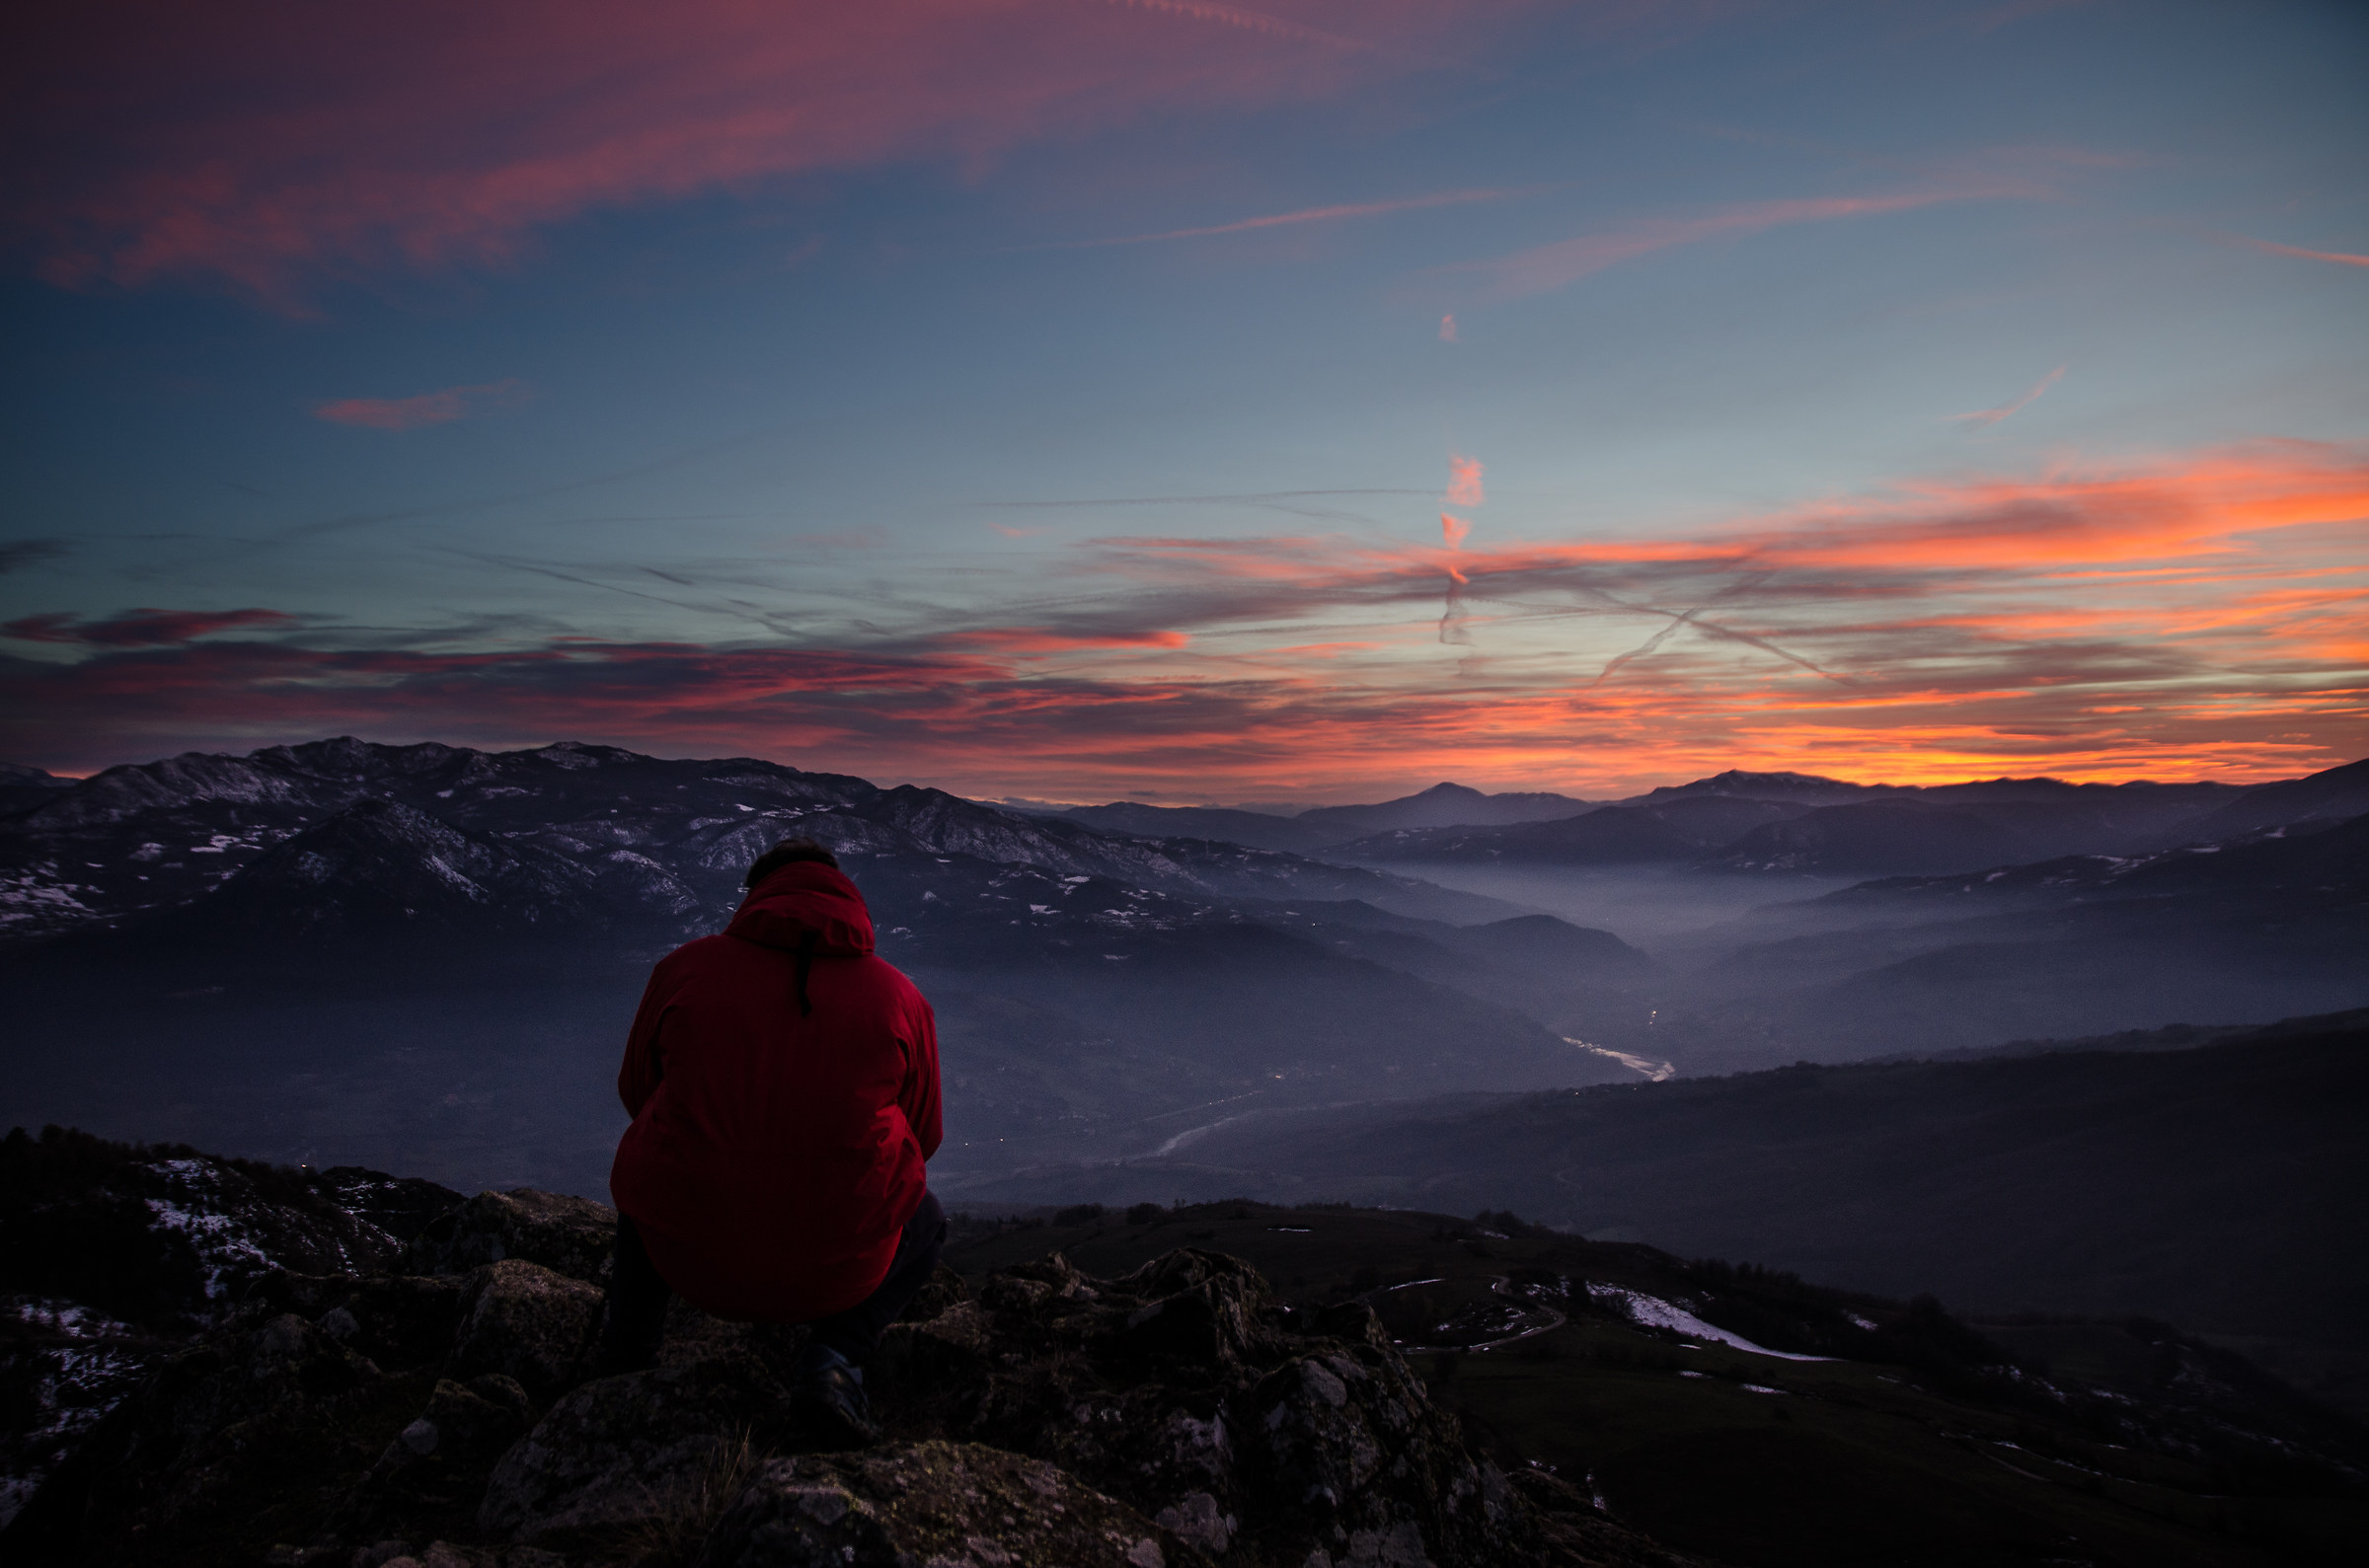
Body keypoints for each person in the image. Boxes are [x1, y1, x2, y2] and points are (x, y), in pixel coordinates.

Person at [595, 835, 944, 1444]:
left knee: (649, 1179)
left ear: (757, 895)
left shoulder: (684, 970)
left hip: (689, 1259)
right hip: (839, 1272)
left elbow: (637, 1093)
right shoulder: (901, 998)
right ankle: (835, 1360)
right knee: (928, 1218)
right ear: (846, 898)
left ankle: (622, 1364)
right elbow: (924, 1136)